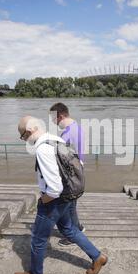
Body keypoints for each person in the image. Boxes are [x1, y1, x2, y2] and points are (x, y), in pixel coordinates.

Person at [13, 116, 108, 274]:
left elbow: (54, 188)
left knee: (38, 238)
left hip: (54, 200)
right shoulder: (56, 139)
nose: (25, 140)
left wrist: (43, 200)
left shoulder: (43, 149)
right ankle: (97, 256)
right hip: (69, 194)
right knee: (70, 229)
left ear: (29, 131)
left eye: (23, 136)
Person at [49, 103, 85, 247]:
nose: (54, 122)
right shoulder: (77, 126)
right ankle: (79, 228)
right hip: (78, 171)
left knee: (68, 206)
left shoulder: (66, 134)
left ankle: (73, 236)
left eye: (55, 119)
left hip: (71, 175)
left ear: (61, 116)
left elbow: (62, 160)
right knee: (72, 204)